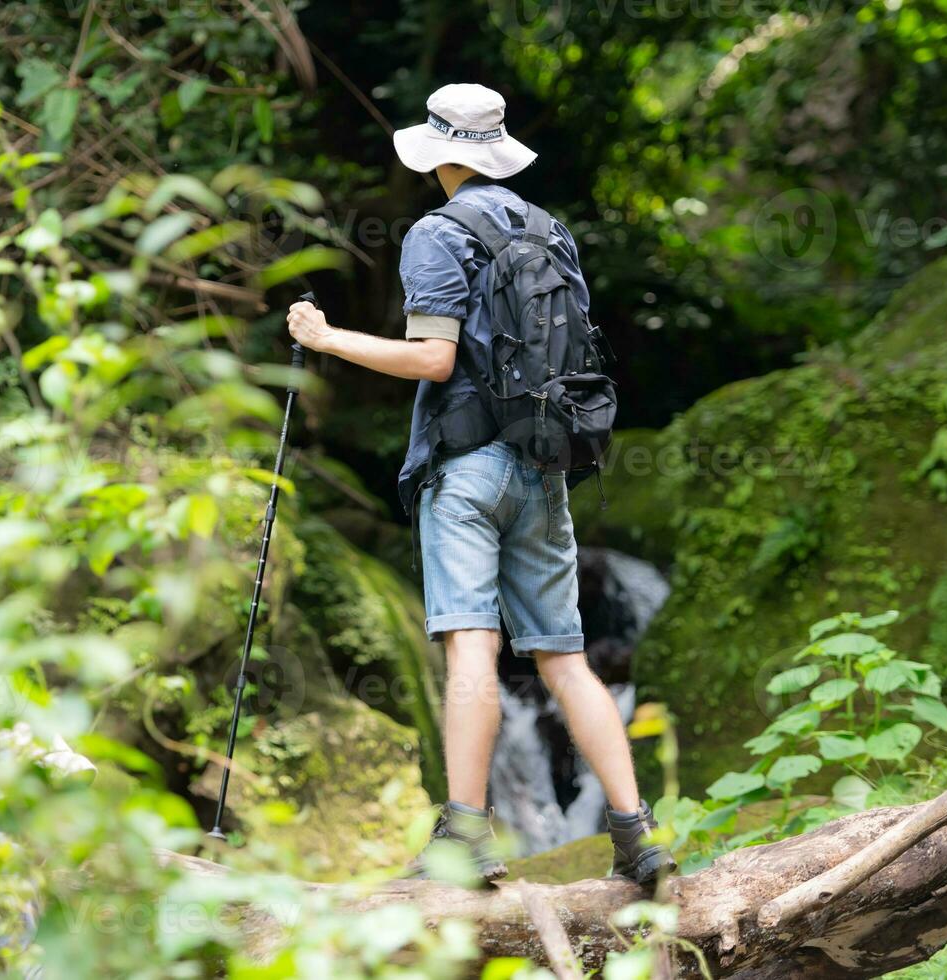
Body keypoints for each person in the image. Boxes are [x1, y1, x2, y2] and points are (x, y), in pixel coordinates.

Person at [284, 83, 674, 886]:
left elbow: (434, 359)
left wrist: (327, 340)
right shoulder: (550, 231)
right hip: (544, 466)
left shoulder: (435, 233)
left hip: (465, 470)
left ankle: (466, 837)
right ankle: (637, 836)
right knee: (566, 661)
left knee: (473, 647)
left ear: (440, 153)